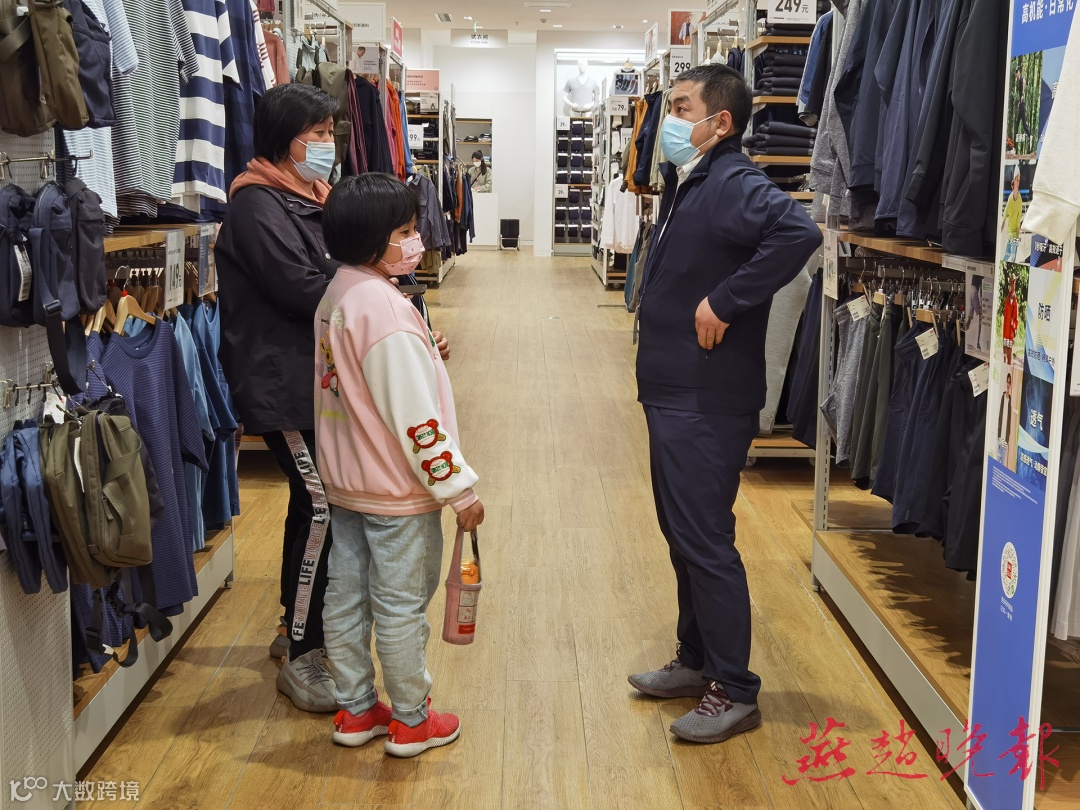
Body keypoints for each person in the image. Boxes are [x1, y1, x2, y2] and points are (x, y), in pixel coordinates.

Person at [216, 85, 450, 713]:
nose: (328, 143)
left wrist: (399, 317)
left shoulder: (311, 198)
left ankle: (299, 627)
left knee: (313, 507)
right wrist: (385, 308)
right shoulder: (257, 206)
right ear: (283, 138)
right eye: (316, 133)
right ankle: (303, 653)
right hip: (283, 385)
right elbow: (309, 287)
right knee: (321, 508)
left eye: (329, 131)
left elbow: (346, 276)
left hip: (319, 381)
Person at [626, 64, 822, 744]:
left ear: (721, 122)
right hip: (676, 389)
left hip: (705, 396)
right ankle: (696, 660)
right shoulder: (694, 179)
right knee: (682, 532)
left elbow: (800, 233)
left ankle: (735, 690)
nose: (670, 120)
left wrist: (727, 300)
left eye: (682, 108)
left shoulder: (733, 180)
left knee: (705, 539)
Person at [314, 173, 484, 757]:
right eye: (406, 230)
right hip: (396, 489)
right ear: (373, 238)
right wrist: (459, 490)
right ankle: (412, 718)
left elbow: (361, 381)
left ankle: (356, 708)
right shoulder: (384, 307)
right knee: (401, 603)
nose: (416, 240)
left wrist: (422, 349)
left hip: (348, 483)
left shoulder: (340, 292)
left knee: (347, 596)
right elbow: (414, 417)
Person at [1003, 171, 1023, 262]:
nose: (1017, 183)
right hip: (1012, 234)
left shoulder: (1014, 198)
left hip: (1011, 234)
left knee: (1007, 257)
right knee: (1011, 257)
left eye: (1018, 181)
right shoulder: (1013, 197)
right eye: (1016, 181)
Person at [1003, 272, 1019, 366]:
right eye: (1012, 281)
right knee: (1004, 349)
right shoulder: (1009, 296)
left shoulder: (1014, 297)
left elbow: (1016, 314)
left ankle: (1008, 366)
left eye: (1014, 281)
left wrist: (1014, 326)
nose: (1013, 283)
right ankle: (1004, 365)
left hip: (1010, 329)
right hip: (1006, 328)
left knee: (1009, 350)